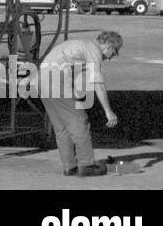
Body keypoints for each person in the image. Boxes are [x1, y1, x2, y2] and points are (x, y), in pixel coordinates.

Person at [39, 31, 122, 176]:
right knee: (80, 121)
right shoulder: (93, 50)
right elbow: (97, 82)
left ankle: (70, 167)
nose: (111, 57)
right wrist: (108, 111)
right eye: (115, 52)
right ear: (108, 46)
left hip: (41, 80)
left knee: (62, 128)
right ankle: (87, 165)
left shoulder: (80, 44)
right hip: (56, 81)